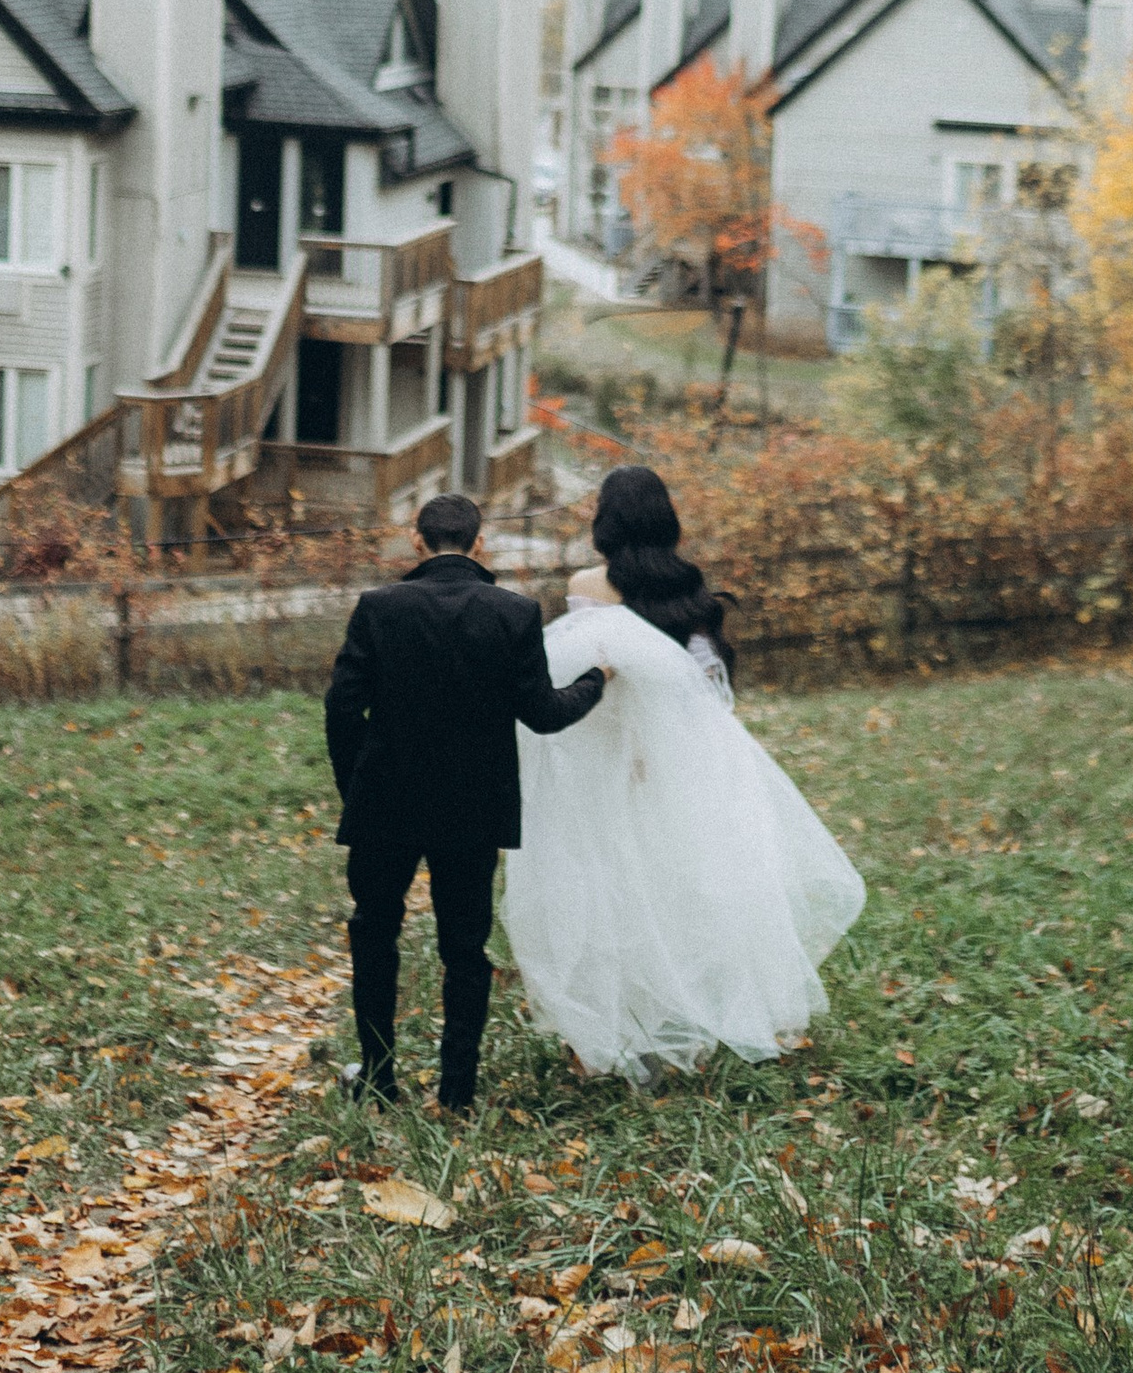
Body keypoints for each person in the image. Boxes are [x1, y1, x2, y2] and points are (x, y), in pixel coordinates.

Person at [501, 463, 866, 1080]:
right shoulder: (685, 586)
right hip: (683, 764)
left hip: (608, 761)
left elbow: (582, 671)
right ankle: (691, 1030)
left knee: (614, 890)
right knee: (687, 886)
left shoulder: (589, 583)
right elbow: (701, 684)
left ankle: (618, 1031)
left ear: (606, 521)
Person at [324, 489, 606, 1114]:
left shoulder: (378, 607)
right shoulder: (514, 613)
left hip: (385, 802)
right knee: (465, 949)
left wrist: (358, 788)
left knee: (374, 933)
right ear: (481, 544)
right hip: (472, 808)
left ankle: (378, 1077)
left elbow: (342, 708)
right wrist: (595, 682)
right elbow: (543, 715)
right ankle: (457, 1093)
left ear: (416, 541)